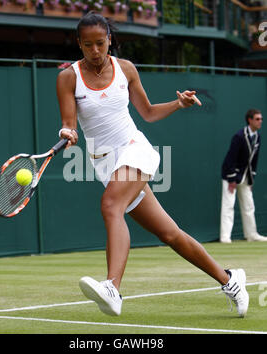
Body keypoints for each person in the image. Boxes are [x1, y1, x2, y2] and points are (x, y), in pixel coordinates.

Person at [56, 11, 249, 317]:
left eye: (100, 43)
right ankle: (230, 280)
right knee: (169, 234)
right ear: (79, 44)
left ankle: (112, 288)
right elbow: (70, 123)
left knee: (110, 206)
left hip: (135, 149)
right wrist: (67, 132)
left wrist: (178, 103)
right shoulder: (68, 77)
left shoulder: (126, 69)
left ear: (109, 40)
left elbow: (146, 112)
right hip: (106, 165)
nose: (95, 51)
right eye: (88, 45)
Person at [220, 109, 266, 243]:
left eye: (261, 119)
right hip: (231, 175)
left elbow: (254, 160)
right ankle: (225, 237)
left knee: (249, 205)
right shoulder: (239, 136)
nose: (260, 121)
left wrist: (251, 180)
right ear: (250, 120)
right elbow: (230, 158)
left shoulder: (257, 137)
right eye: (257, 119)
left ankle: (251, 234)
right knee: (228, 205)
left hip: (246, 177)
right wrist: (232, 179)